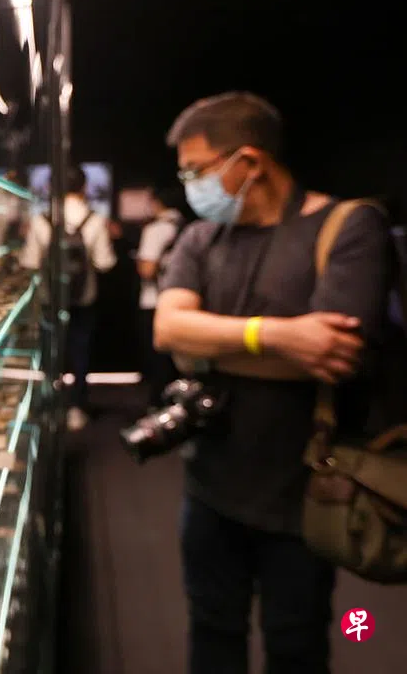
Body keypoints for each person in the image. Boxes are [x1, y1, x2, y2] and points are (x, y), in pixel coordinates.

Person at [154, 92, 388, 674]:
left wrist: (207, 348)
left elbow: (333, 355)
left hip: (305, 492)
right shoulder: (201, 237)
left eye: (196, 170)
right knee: (212, 630)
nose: (190, 185)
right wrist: (277, 336)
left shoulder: (349, 226)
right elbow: (169, 329)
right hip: (208, 484)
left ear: (250, 161)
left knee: (296, 643)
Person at [20, 166, 117, 430]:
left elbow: (29, 262)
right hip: (84, 298)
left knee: (50, 352)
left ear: (51, 188)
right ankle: (77, 408)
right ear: (84, 187)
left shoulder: (41, 219)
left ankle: (50, 406)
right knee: (80, 351)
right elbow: (105, 263)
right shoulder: (95, 219)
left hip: (50, 298)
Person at [136, 186, 185, 407]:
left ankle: (159, 406)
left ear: (157, 202)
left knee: (158, 361)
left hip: (155, 301)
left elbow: (147, 269)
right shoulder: (188, 227)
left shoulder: (156, 229)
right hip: (183, 301)